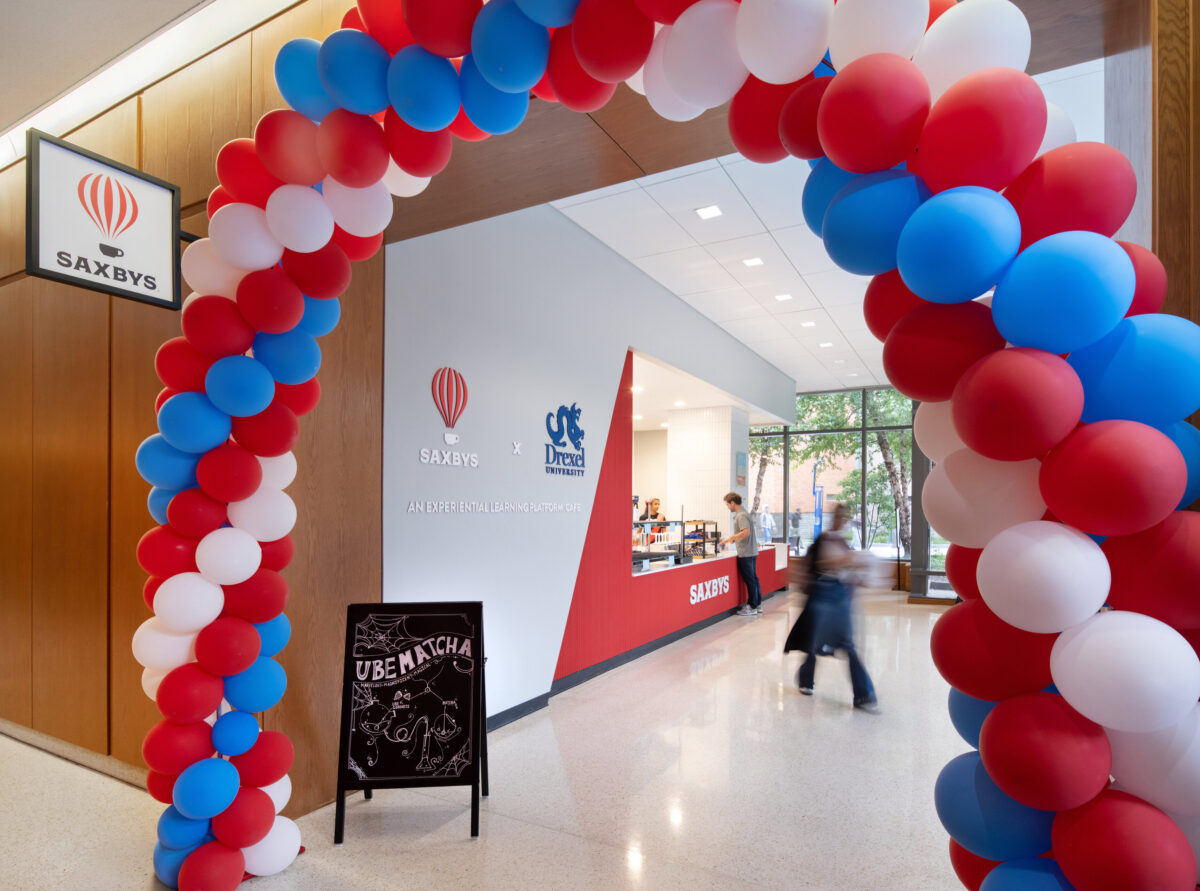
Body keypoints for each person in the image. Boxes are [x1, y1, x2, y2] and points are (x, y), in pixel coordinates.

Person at [784, 503, 878, 712]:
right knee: (813, 641)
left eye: (843, 517)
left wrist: (858, 574)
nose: (840, 520)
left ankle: (863, 694)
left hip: (838, 596)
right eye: (838, 516)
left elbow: (846, 571)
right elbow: (822, 564)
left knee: (847, 643)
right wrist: (847, 561)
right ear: (833, 517)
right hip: (821, 595)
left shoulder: (842, 543)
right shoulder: (824, 539)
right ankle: (806, 680)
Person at [720, 492, 762, 617]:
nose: (727, 507)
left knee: (750, 580)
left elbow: (746, 532)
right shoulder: (744, 513)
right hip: (751, 551)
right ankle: (757, 604)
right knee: (754, 579)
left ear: (732, 503)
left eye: (727, 504)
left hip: (746, 553)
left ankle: (752, 606)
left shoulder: (741, 515)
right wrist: (733, 539)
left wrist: (732, 537)